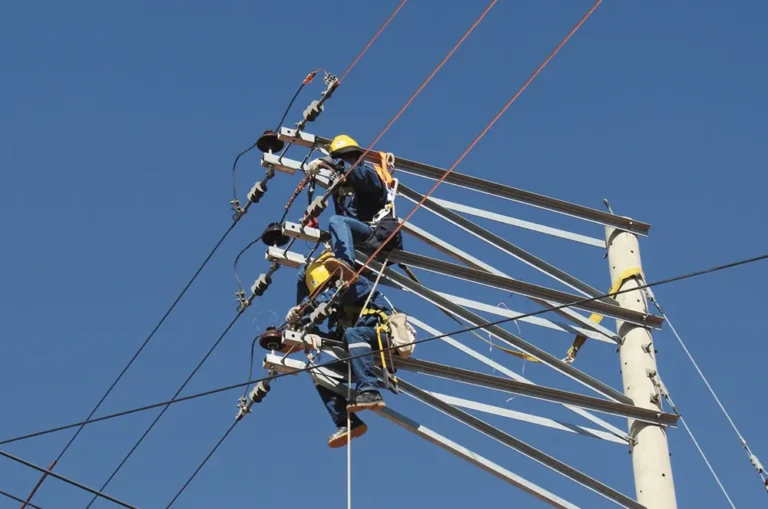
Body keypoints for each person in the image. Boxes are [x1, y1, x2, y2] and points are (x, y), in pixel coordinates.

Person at [288, 250, 393, 448]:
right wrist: (300, 332)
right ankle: (348, 422)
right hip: (359, 352)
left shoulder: (357, 284)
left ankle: (369, 390)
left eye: (326, 286)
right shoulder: (337, 316)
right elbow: (335, 337)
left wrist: (305, 307)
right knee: (316, 369)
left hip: (383, 339)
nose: (325, 291)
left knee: (354, 333)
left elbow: (334, 297)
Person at [304, 134, 391, 284]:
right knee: (307, 271)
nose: (346, 161)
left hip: (374, 233)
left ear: (358, 157)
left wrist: (328, 162)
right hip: (356, 236)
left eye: (350, 157)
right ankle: (308, 305)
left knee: (337, 221)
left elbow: (355, 174)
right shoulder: (341, 190)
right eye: (342, 157)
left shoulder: (368, 174)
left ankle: (346, 263)